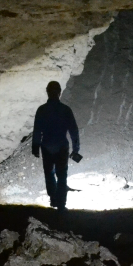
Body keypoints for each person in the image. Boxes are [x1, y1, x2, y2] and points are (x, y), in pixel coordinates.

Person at [32, 81, 80, 211]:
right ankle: (61, 204)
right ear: (59, 92)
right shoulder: (65, 110)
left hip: (46, 145)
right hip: (61, 146)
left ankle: (53, 198)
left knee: (49, 173)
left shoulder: (41, 110)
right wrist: (76, 149)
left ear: (47, 92)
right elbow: (73, 130)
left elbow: (37, 130)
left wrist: (35, 147)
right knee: (62, 174)